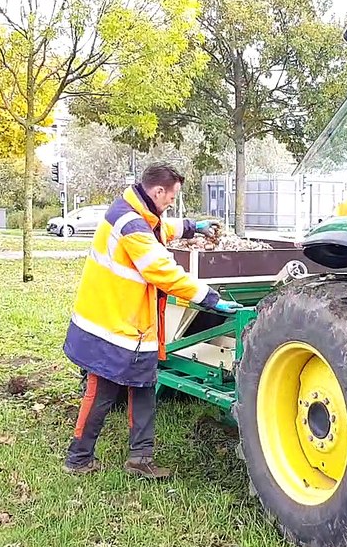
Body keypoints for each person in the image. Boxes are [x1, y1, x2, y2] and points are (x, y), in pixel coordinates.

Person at [62, 163, 242, 479]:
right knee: (102, 391)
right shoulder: (130, 224)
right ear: (158, 191)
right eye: (171, 197)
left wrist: (190, 226)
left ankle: (139, 459)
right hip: (111, 327)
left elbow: (159, 228)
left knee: (144, 387)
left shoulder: (136, 211)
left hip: (132, 325)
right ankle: (78, 459)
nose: (171, 202)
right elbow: (162, 270)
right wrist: (210, 298)